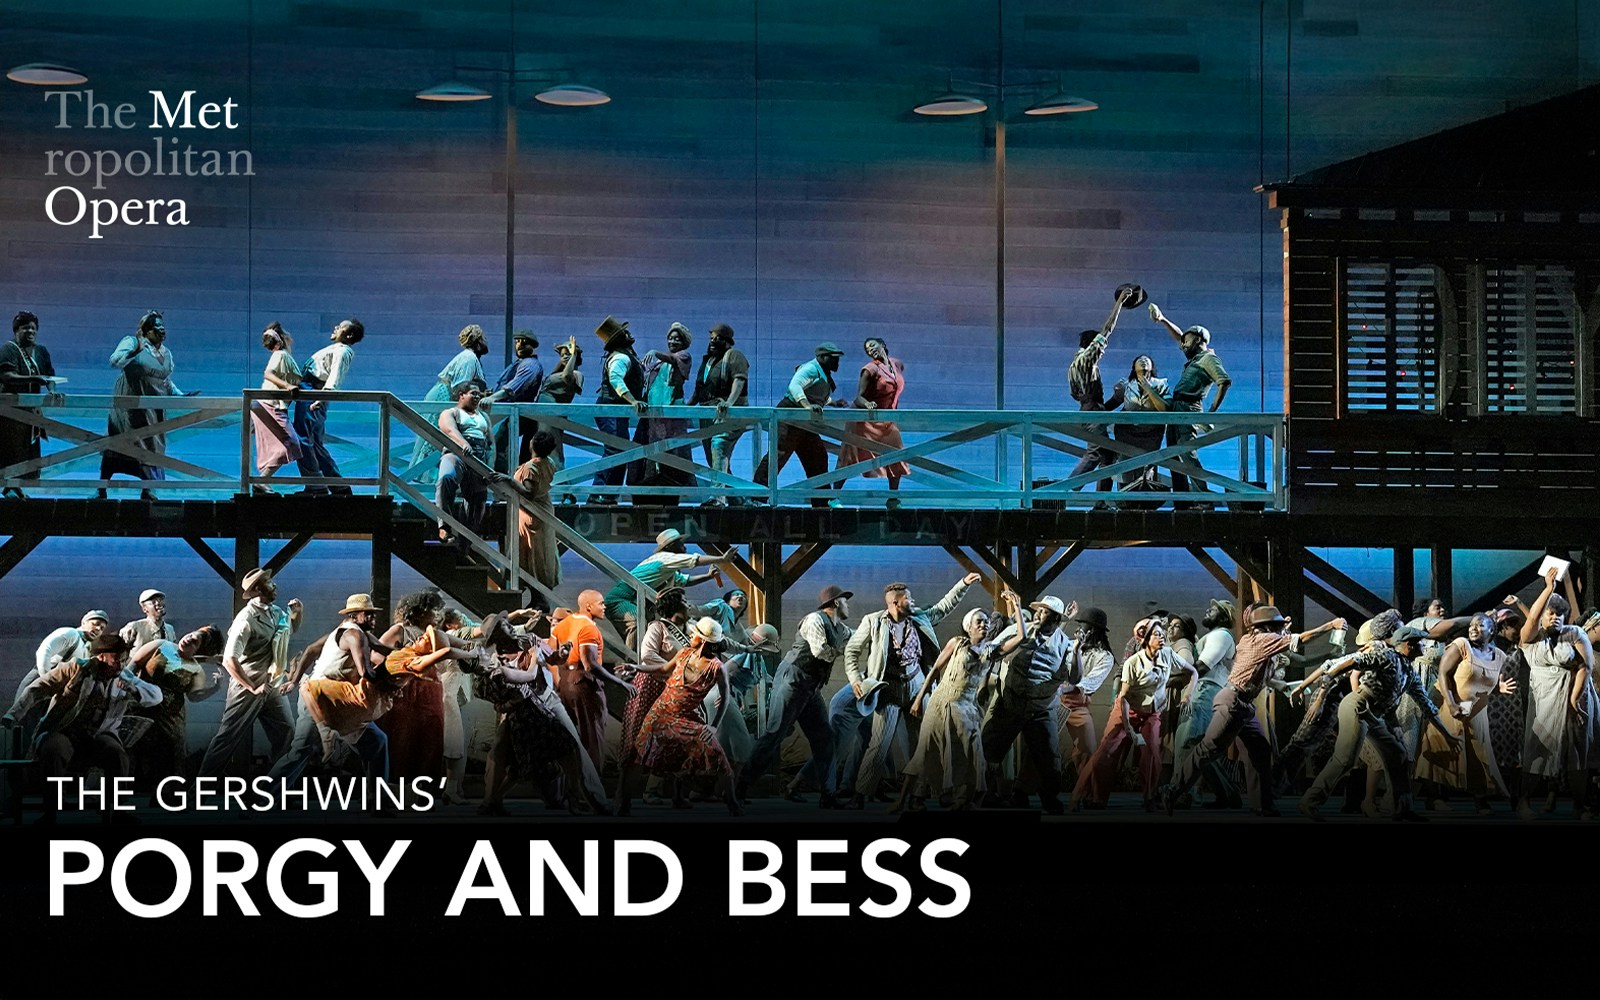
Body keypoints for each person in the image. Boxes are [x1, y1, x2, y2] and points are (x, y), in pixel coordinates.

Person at [1291, 612, 1457, 822]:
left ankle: (1402, 807)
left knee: (1398, 755)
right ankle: (1309, 802)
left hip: (1374, 714)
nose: (1424, 646)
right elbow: (1349, 663)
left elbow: (1428, 706)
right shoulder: (1385, 656)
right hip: (1357, 706)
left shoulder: (1409, 672)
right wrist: (1323, 689)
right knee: (1346, 759)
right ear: (1408, 645)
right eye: (1419, 642)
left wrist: (1447, 735)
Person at [840, 572, 981, 808]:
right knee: (878, 744)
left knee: (923, 744)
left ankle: (919, 796)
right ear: (895, 603)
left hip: (918, 685)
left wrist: (963, 584)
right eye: (908, 598)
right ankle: (860, 795)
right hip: (888, 688)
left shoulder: (919, 617)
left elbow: (945, 606)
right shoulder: (873, 621)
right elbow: (851, 650)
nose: (913, 601)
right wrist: (855, 678)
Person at [1, 632, 160, 823]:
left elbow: (156, 696)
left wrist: (134, 689)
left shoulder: (124, 677)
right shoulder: (76, 668)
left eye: (124, 660)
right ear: (101, 656)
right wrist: (14, 714)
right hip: (66, 729)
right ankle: (50, 813)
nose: (121, 664)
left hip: (100, 733)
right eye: (116, 659)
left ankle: (113, 810)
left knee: (117, 755)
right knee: (54, 750)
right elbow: (38, 688)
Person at [1163, 604, 1294, 816]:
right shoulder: (1250, 639)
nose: (1207, 611)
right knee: (1205, 747)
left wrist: (1172, 679)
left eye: (1213, 609)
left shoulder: (1223, 636)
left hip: (1211, 692)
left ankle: (1255, 802)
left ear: (1224, 616)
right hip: (1231, 699)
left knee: (1207, 745)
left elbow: (1203, 666)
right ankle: (1178, 790)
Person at [737, 584, 855, 806]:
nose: (848, 605)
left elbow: (859, 636)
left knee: (824, 738)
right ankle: (740, 786)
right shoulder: (815, 620)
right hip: (794, 679)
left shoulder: (841, 629)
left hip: (810, 686)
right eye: (845, 601)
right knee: (774, 734)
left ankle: (828, 795)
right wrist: (843, 651)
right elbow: (820, 650)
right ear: (837, 603)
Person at [268, 593, 393, 787]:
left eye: (373, 614)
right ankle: (257, 800)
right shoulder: (354, 635)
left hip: (337, 701)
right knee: (300, 752)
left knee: (377, 741)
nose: (373, 618)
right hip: (319, 699)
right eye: (367, 614)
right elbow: (366, 672)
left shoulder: (349, 632)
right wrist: (391, 680)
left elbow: (310, 649)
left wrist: (411, 653)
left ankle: (379, 801)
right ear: (353, 616)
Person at [1073, 617, 1189, 810]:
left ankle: (1150, 797)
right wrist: (1115, 701)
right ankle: (1094, 796)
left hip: (1150, 710)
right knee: (1108, 751)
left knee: (1151, 753)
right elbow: (1122, 674)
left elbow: (1188, 669)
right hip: (1127, 704)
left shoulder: (1167, 649)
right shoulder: (1135, 647)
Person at [197, 569, 302, 777]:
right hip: (247, 685)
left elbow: (288, 631)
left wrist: (298, 614)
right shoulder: (245, 619)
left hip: (271, 683)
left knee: (287, 735)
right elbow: (229, 659)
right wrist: (252, 687)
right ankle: (196, 794)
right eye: (269, 582)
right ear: (256, 590)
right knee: (227, 739)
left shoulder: (277, 613)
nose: (275, 585)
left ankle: (274, 790)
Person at [980, 591, 1078, 814]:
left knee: (1048, 756)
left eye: (1044, 613)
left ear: (1055, 619)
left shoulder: (1065, 644)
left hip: (1041, 708)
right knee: (990, 746)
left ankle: (1047, 796)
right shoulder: (1019, 629)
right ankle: (984, 791)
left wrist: (1078, 652)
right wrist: (983, 682)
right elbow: (991, 650)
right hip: (1011, 701)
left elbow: (1072, 676)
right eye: (1038, 610)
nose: (1038, 615)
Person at [636, 617, 742, 814]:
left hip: (685, 716)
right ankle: (675, 797)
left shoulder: (716, 667)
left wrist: (713, 726)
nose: (690, 636)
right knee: (666, 754)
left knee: (716, 753)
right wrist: (636, 667)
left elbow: (725, 697)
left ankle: (732, 800)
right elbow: (662, 669)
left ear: (702, 641)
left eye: (694, 635)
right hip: (661, 713)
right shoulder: (684, 653)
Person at [1516, 568, 1598, 820]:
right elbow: (1529, 623)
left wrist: (1575, 699)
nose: (1556, 618)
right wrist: (1548, 588)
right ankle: (1524, 802)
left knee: (1577, 752)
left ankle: (1578, 805)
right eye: (1551, 613)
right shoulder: (1531, 638)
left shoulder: (1574, 633)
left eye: (1561, 614)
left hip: (1576, 696)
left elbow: (1586, 666)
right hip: (1545, 698)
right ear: (1542, 616)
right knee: (1537, 748)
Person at [896, 608, 997, 812]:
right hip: (942, 701)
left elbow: (1018, 640)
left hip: (966, 706)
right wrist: (918, 698)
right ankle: (908, 798)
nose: (983, 624)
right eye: (978, 621)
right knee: (926, 749)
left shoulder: (990, 651)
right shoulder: (957, 643)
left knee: (968, 752)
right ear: (968, 626)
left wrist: (984, 688)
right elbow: (935, 670)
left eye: (986, 621)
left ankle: (963, 799)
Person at [1414, 612, 1516, 814]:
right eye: (1471, 625)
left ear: (1492, 630)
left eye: (1480, 625)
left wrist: (1499, 689)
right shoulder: (1462, 645)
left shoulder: (1499, 656)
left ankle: (1480, 800)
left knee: (1479, 755)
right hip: (1452, 707)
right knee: (1439, 749)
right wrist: (1451, 704)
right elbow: (1444, 673)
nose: (1473, 628)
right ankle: (1433, 798)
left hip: (1477, 713)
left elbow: (1487, 682)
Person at [101, 310, 195, 499]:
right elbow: (114, 361)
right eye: (157, 329)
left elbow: (165, 380)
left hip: (153, 410)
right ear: (147, 331)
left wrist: (180, 395)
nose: (162, 332)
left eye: (163, 328)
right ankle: (102, 487)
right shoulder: (133, 342)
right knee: (120, 445)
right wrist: (134, 352)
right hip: (131, 406)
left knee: (151, 446)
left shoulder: (166, 353)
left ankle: (147, 489)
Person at [614, 587, 692, 814]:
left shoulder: (688, 630)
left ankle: (677, 795)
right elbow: (647, 656)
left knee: (679, 740)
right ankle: (623, 796)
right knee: (639, 740)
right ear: (675, 606)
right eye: (684, 601)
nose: (688, 604)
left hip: (675, 690)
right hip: (653, 686)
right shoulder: (657, 628)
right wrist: (674, 671)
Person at [1146, 301, 1231, 506]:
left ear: (1199, 339)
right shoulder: (1195, 358)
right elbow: (1179, 336)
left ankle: (1204, 497)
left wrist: (1210, 412)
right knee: (1175, 454)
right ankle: (1183, 501)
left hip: (1188, 408)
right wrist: (1162, 319)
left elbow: (1224, 381)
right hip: (1178, 408)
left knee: (1187, 454)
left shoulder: (1208, 359)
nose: (1183, 343)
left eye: (1188, 339)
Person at [752, 342, 851, 508]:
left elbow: (815, 394)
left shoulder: (822, 373)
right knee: (779, 454)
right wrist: (806, 406)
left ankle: (822, 500)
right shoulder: (811, 368)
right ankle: (757, 496)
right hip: (790, 416)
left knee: (818, 457)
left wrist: (832, 403)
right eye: (833, 358)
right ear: (821, 357)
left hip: (804, 421)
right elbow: (795, 386)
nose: (836, 362)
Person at [1066, 285, 1140, 507]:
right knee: (1095, 454)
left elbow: (1077, 396)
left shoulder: (1072, 366)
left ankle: (1101, 501)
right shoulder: (1086, 360)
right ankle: (1063, 490)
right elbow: (1106, 330)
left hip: (1088, 410)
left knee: (1107, 456)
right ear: (1090, 345)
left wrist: (1112, 402)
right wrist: (1119, 303)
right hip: (1092, 412)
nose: (1102, 351)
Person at [603, 528, 735, 650]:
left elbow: (685, 580)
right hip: (620, 599)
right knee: (638, 621)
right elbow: (693, 559)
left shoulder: (668, 568)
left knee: (642, 629)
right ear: (671, 546)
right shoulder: (664, 558)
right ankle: (634, 663)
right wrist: (722, 559)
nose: (685, 547)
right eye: (680, 543)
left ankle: (634, 661)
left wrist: (708, 576)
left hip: (632, 601)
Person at [551, 589, 637, 776]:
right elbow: (589, 665)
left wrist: (559, 678)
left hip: (566, 682)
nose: (604, 607)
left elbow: (550, 655)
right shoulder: (588, 628)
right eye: (601, 603)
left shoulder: (564, 624)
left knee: (570, 739)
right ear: (588, 606)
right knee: (592, 739)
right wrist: (621, 683)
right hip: (584, 685)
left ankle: (572, 791)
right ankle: (593, 792)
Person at [127, 625, 224, 787]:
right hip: (142, 703)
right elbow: (133, 666)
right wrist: (128, 688)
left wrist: (215, 688)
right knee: (132, 748)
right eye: (191, 635)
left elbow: (194, 696)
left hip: (171, 715)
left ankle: (169, 794)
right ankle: (118, 794)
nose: (188, 639)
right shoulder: (160, 645)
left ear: (199, 651)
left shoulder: (196, 669)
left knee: (172, 754)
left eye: (194, 642)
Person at [835, 337, 910, 508]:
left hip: (886, 419)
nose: (871, 350)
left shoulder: (896, 364)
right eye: (867, 349)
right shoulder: (870, 369)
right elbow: (859, 397)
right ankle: (834, 496)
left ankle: (893, 499)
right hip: (863, 420)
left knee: (895, 455)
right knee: (849, 458)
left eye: (873, 346)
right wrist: (868, 404)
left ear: (882, 344)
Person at [293, 318, 364, 495]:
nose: (335, 328)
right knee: (312, 441)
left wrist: (322, 397)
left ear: (348, 334)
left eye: (340, 327)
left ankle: (316, 484)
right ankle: (336, 484)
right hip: (309, 391)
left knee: (304, 439)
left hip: (314, 393)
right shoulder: (335, 349)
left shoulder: (343, 351)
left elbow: (335, 375)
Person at [412, 324, 489, 478]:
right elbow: (461, 386)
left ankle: (424, 477)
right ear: (478, 341)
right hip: (443, 396)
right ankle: (422, 477)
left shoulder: (470, 358)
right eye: (483, 338)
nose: (486, 342)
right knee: (432, 439)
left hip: (446, 395)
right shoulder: (469, 358)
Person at [1053, 606, 1118, 785]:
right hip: (1054, 700)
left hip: (1076, 704)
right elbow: (1053, 640)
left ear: (1094, 630)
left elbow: (1088, 683)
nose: (1080, 630)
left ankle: (1088, 793)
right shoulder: (1070, 644)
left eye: (1085, 626)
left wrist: (1064, 688)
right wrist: (1065, 619)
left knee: (1087, 749)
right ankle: (1023, 790)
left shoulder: (1104, 657)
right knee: (1044, 744)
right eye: (1080, 625)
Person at [633, 322, 695, 504]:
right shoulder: (659, 362)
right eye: (670, 337)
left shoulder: (683, 356)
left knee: (672, 454)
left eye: (677, 338)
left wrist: (654, 352)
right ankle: (653, 491)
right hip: (654, 415)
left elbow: (673, 360)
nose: (672, 341)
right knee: (651, 454)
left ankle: (671, 493)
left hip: (670, 416)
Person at [690, 322, 749, 505]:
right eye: (711, 338)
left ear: (728, 341)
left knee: (719, 446)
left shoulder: (734, 356)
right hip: (708, 413)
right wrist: (688, 405)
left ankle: (718, 497)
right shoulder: (708, 361)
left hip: (728, 412)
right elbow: (700, 388)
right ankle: (737, 498)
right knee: (713, 457)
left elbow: (738, 381)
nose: (713, 342)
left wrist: (729, 404)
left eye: (718, 338)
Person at [0, 310, 58, 499]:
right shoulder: (9, 349)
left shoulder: (41, 352)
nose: (30, 331)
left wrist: (52, 390)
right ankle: (10, 486)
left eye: (33, 328)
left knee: (27, 449)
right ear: (17, 331)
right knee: (12, 450)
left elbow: (49, 376)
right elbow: (6, 376)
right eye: (26, 328)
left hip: (31, 411)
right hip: (11, 412)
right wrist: (34, 378)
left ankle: (15, 488)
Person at [591, 315, 647, 503]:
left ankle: (607, 493)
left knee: (618, 450)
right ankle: (601, 493)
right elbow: (616, 380)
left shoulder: (626, 356)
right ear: (619, 338)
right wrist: (632, 400)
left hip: (614, 410)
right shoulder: (621, 357)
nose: (628, 334)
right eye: (624, 332)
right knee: (615, 450)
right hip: (611, 409)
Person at [435, 379, 492, 545]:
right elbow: (449, 429)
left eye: (479, 395)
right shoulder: (451, 412)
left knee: (478, 497)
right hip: (456, 452)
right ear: (461, 395)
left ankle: (466, 541)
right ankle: (444, 525)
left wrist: (490, 466)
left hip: (478, 456)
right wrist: (463, 443)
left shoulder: (484, 417)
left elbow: (491, 443)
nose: (477, 397)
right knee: (446, 478)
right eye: (473, 393)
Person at [249, 322, 303, 493]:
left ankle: (262, 480)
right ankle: (262, 480)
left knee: (283, 445)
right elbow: (268, 374)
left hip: (270, 405)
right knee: (292, 443)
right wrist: (287, 386)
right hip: (272, 405)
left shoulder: (284, 356)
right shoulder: (280, 355)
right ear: (282, 339)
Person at [510, 430, 563, 591]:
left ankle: (539, 596)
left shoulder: (531, 467)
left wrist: (508, 481)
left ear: (532, 444)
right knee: (542, 556)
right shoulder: (549, 463)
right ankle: (539, 596)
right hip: (544, 508)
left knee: (533, 556)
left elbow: (529, 493)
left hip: (532, 514)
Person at [1111, 355, 1169, 501]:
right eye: (1139, 359)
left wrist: (1150, 390)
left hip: (1151, 435)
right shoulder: (1125, 385)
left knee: (1148, 467)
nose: (1143, 360)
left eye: (1147, 359)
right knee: (1126, 467)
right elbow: (1112, 403)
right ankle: (1125, 501)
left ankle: (1146, 502)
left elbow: (1165, 409)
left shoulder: (1161, 384)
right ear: (1133, 367)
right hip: (1127, 434)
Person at [483, 330, 544, 463]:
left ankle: (503, 479)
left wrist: (493, 398)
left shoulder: (531, 365)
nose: (519, 345)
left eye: (524, 342)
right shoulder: (520, 362)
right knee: (500, 445)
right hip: (513, 412)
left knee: (501, 447)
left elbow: (513, 387)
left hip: (521, 414)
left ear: (532, 345)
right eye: (517, 341)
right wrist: (491, 393)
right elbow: (505, 382)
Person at [535, 337, 584, 483]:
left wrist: (573, 355)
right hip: (542, 414)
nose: (564, 357)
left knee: (553, 452)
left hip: (552, 416)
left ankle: (565, 489)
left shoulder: (576, 374)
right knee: (540, 451)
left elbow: (566, 377)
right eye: (562, 355)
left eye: (567, 354)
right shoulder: (557, 372)